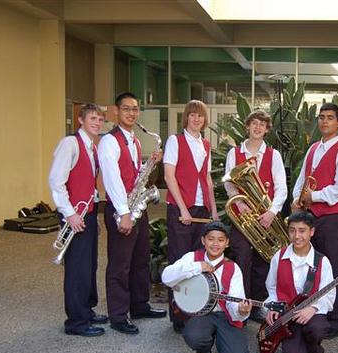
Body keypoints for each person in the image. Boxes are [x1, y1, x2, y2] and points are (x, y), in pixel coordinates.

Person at [98, 92, 167, 335]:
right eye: (126, 108)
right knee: (120, 265)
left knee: (140, 259)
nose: (131, 113)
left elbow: (133, 173)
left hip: (136, 206)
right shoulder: (109, 141)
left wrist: (150, 163)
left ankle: (139, 305)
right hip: (121, 209)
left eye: (135, 109)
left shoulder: (135, 141)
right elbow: (113, 179)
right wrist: (124, 212)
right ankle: (118, 315)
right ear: (117, 111)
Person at [291, 102, 338, 338]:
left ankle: (337, 321)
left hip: (333, 219)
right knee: (314, 269)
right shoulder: (312, 149)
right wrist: (296, 199)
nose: (324, 121)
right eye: (321, 117)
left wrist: (314, 196)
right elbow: (301, 180)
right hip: (311, 218)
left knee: (334, 269)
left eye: (330, 117)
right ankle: (316, 315)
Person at [49, 103, 108, 337]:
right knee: (77, 270)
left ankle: (86, 310)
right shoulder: (70, 144)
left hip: (88, 213)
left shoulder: (92, 147)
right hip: (75, 215)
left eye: (101, 119)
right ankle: (76, 322)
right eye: (92, 118)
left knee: (90, 265)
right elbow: (56, 181)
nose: (97, 122)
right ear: (81, 121)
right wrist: (69, 213)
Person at [223, 110, 287, 323]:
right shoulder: (234, 153)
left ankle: (258, 305)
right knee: (241, 258)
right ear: (248, 126)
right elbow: (228, 182)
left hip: (265, 217)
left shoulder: (273, 155)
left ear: (267, 130)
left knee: (263, 262)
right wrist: (239, 203)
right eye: (254, 124)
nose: (258, 127)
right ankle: (240, 305)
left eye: (262, 125)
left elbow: (281, 189)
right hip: (243, 218)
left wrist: (272, 212)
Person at [161, 221, 251, 353]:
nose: (215, 244)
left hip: (225, 314)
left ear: (227, 243)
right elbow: (166, 277)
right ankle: (204, 347)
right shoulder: (192, 258)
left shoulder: (233, 268)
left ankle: (224, 340)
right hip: (201, 314)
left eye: (220, 240)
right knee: (194, 336)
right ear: (203, 240)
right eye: (211, 239)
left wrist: (241, 311)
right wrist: (197, 267)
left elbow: (236, 300)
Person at [163, 100, 218, 332]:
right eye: (192, 115)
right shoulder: (175, 141)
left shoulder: (205, 144)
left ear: (205, 120)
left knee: (198, 262)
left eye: (200, 116)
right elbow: (168, 176)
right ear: (186, 118)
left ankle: (193, 308)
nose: (196, 119)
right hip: (181, 210)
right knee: (179, 261)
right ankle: (178, 316)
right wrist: (183, 208)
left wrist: (213, 209)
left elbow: (206, 179)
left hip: (201, 209)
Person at [265, 211, 335, 353]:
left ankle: (316, 351)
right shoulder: (279, 256)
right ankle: (297, 342)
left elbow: (329, 294)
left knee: (316, 329)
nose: (297, 236)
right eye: (292, 230)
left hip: (311, 315)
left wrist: (313, 308)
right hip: (287, 317)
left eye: (302, 231)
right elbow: (271, 287)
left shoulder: (322, 261)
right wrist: (272, 307)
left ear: (312, 232)